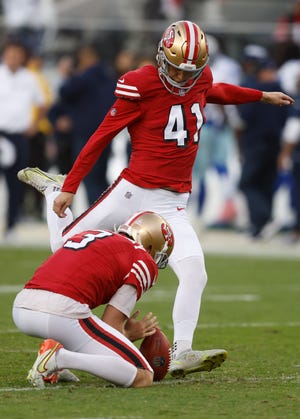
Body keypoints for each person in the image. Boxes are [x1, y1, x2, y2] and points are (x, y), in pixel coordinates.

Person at [17, 20, 294, 379]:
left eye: (189, 71)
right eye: (177, 69)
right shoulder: (141, 83)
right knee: (67, 248)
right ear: (163, 56)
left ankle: (183, 351)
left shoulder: (200, 78)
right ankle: (53, 189)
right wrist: (71, 184)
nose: (182, 78)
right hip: (133, 190)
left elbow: (217, 90)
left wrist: (260, 95)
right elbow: (102, 135)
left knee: (195, 272)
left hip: (172, 202)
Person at [13, 210, 176, 388]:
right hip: (61, 312)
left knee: (83, 326)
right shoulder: (143, 258)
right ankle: (59, 359)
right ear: (151, 246)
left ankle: (55, 361)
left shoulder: (92, 234)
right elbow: (111, 322)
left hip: (22, 309)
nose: (155, 262)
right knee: (144, 376)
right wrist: (129, 334)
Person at [237, 47, 289, 239]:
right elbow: (286, 118)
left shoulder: (255, 91)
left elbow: (243, 118)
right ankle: (259, 226)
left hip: (256, 144)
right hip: (274, 143)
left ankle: (264, 217)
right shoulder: (281, 90)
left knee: (248, 183)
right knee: (265, 184)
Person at [0, 40, 46, 239]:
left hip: (19, 136)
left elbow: (43, 103)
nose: (14, 59)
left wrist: (34, 124)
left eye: (18, 55)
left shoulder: (29, 78)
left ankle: (11, 225)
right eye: (11, 54)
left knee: (16, 182)